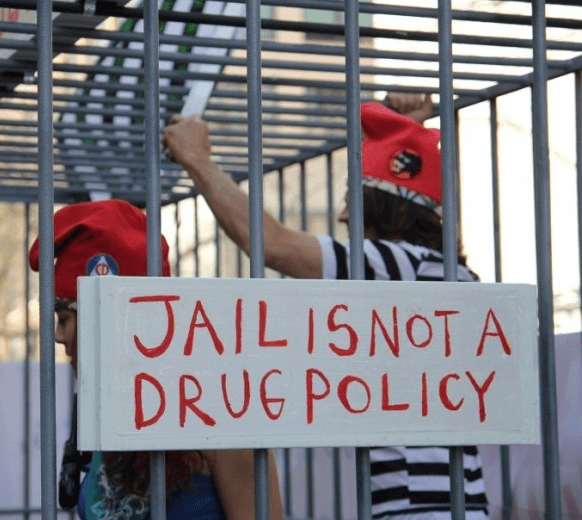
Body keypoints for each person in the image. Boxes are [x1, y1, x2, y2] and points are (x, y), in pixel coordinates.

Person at [162, 95, 489, 519]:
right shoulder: (446, 276)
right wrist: (404, 138)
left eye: (352, 203)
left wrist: (198, 160)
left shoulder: (395, 266)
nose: (341, 219)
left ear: (379, 208)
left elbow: (271, 243)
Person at [29, 199, 283, 520]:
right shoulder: (110, 409)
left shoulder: (222, 416)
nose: (58, 336)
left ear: (108, 319)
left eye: (64, 319)